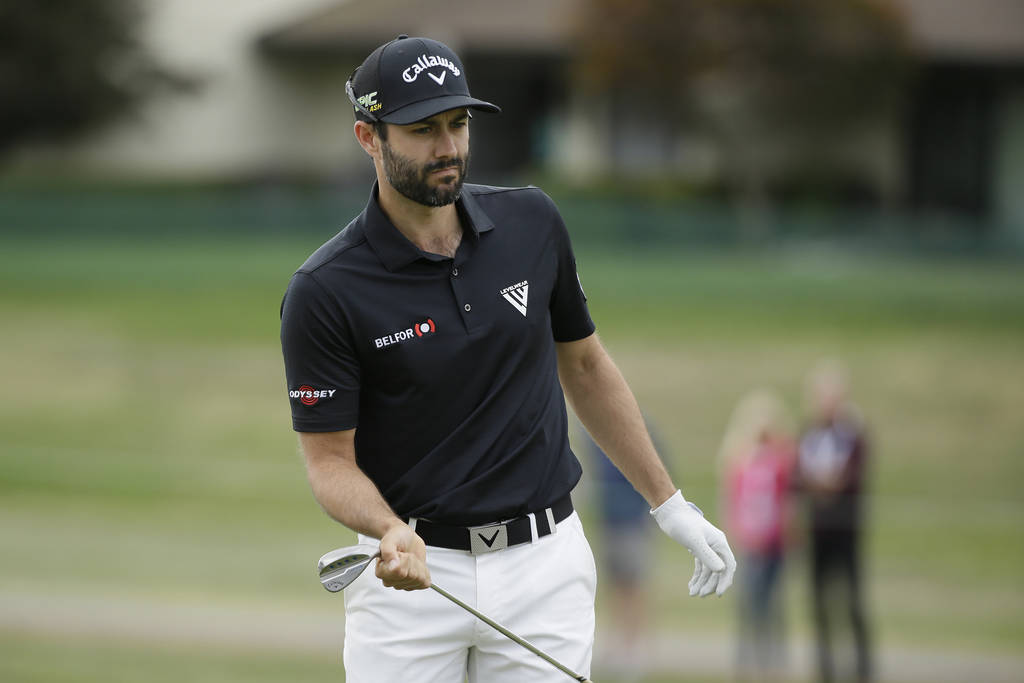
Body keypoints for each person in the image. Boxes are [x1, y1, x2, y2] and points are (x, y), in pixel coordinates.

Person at [279, 35, 735, 683]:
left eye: (458, 123)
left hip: (543, 567)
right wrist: (387, 527)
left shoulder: (532, 222)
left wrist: (669, 503)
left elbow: (585, 366)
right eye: (423, 129)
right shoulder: (325, 289)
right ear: (368, 137)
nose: (448, 146)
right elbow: (328, 462)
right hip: (412, 576)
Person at [795, 361, 871, 682]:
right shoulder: (808, 433)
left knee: (852, 600)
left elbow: (853, 476)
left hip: (846, 528)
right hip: (817, 528)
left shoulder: (852, 435)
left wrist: (824, 484)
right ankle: (825, 669)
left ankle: (863, 669)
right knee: (818, 603)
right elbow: (797, 476)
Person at [719, 389, 797, 682]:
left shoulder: (780, 462)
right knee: (749, 606)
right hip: (751, 544)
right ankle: (746, 664)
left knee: (773, 606)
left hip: (774, 544)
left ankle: (773, 664)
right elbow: (733, 500)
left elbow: (788, 500)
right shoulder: (741, 462)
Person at [580, 418, 662, 682]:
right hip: (610, 523)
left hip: (633, 523)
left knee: (633, 587)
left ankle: (635, 649)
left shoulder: (640, 431)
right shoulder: (593, 438)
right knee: (614, 586)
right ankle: (617, 646)